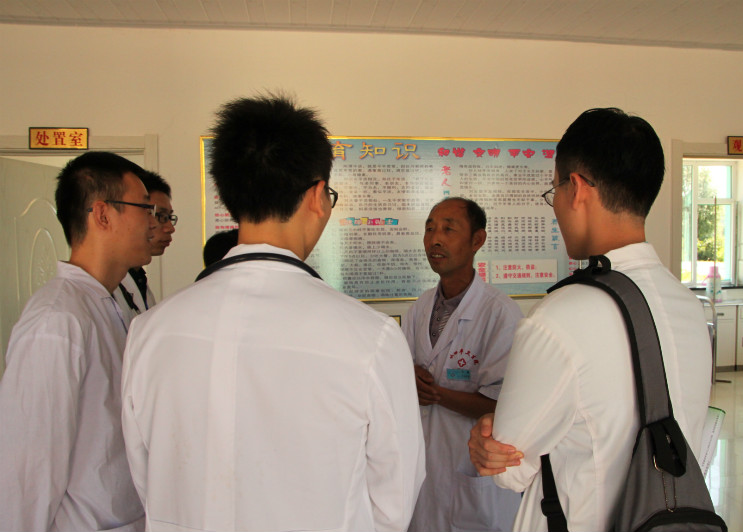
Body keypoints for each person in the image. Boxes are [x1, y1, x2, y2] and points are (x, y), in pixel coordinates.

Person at [120, 93, 425, 532]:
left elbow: (146, 479)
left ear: (228, 195)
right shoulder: (371, 338)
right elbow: (394, 502)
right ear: (318, 196)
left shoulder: (149, 331)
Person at [467, 108, 712, 531]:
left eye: (555, 190)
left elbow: (509, 470)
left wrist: (491, 435)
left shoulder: (560, 317)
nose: (557, 207)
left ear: (577, 188)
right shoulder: (688, 305)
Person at [0, 151, 154, 531]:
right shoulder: (57, 320)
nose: (153, 222)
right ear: (102, 214)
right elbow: (27, 470)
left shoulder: (113, 303)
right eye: (144, 208)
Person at [404, 197, 523, 532]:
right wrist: (407, 377)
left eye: (448, 229)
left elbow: (502, 404)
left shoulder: (500, 313)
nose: (435, 240)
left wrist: (437, 394)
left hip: (472, 472)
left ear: (477, 240)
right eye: (429, 229)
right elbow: (402, 373)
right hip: (426, 471)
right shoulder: (420, 308)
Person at [114, 169, 176, 324]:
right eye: (160, 216)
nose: (170, 228)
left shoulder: (139, 279)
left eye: (169, 217)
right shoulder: (107, 285)